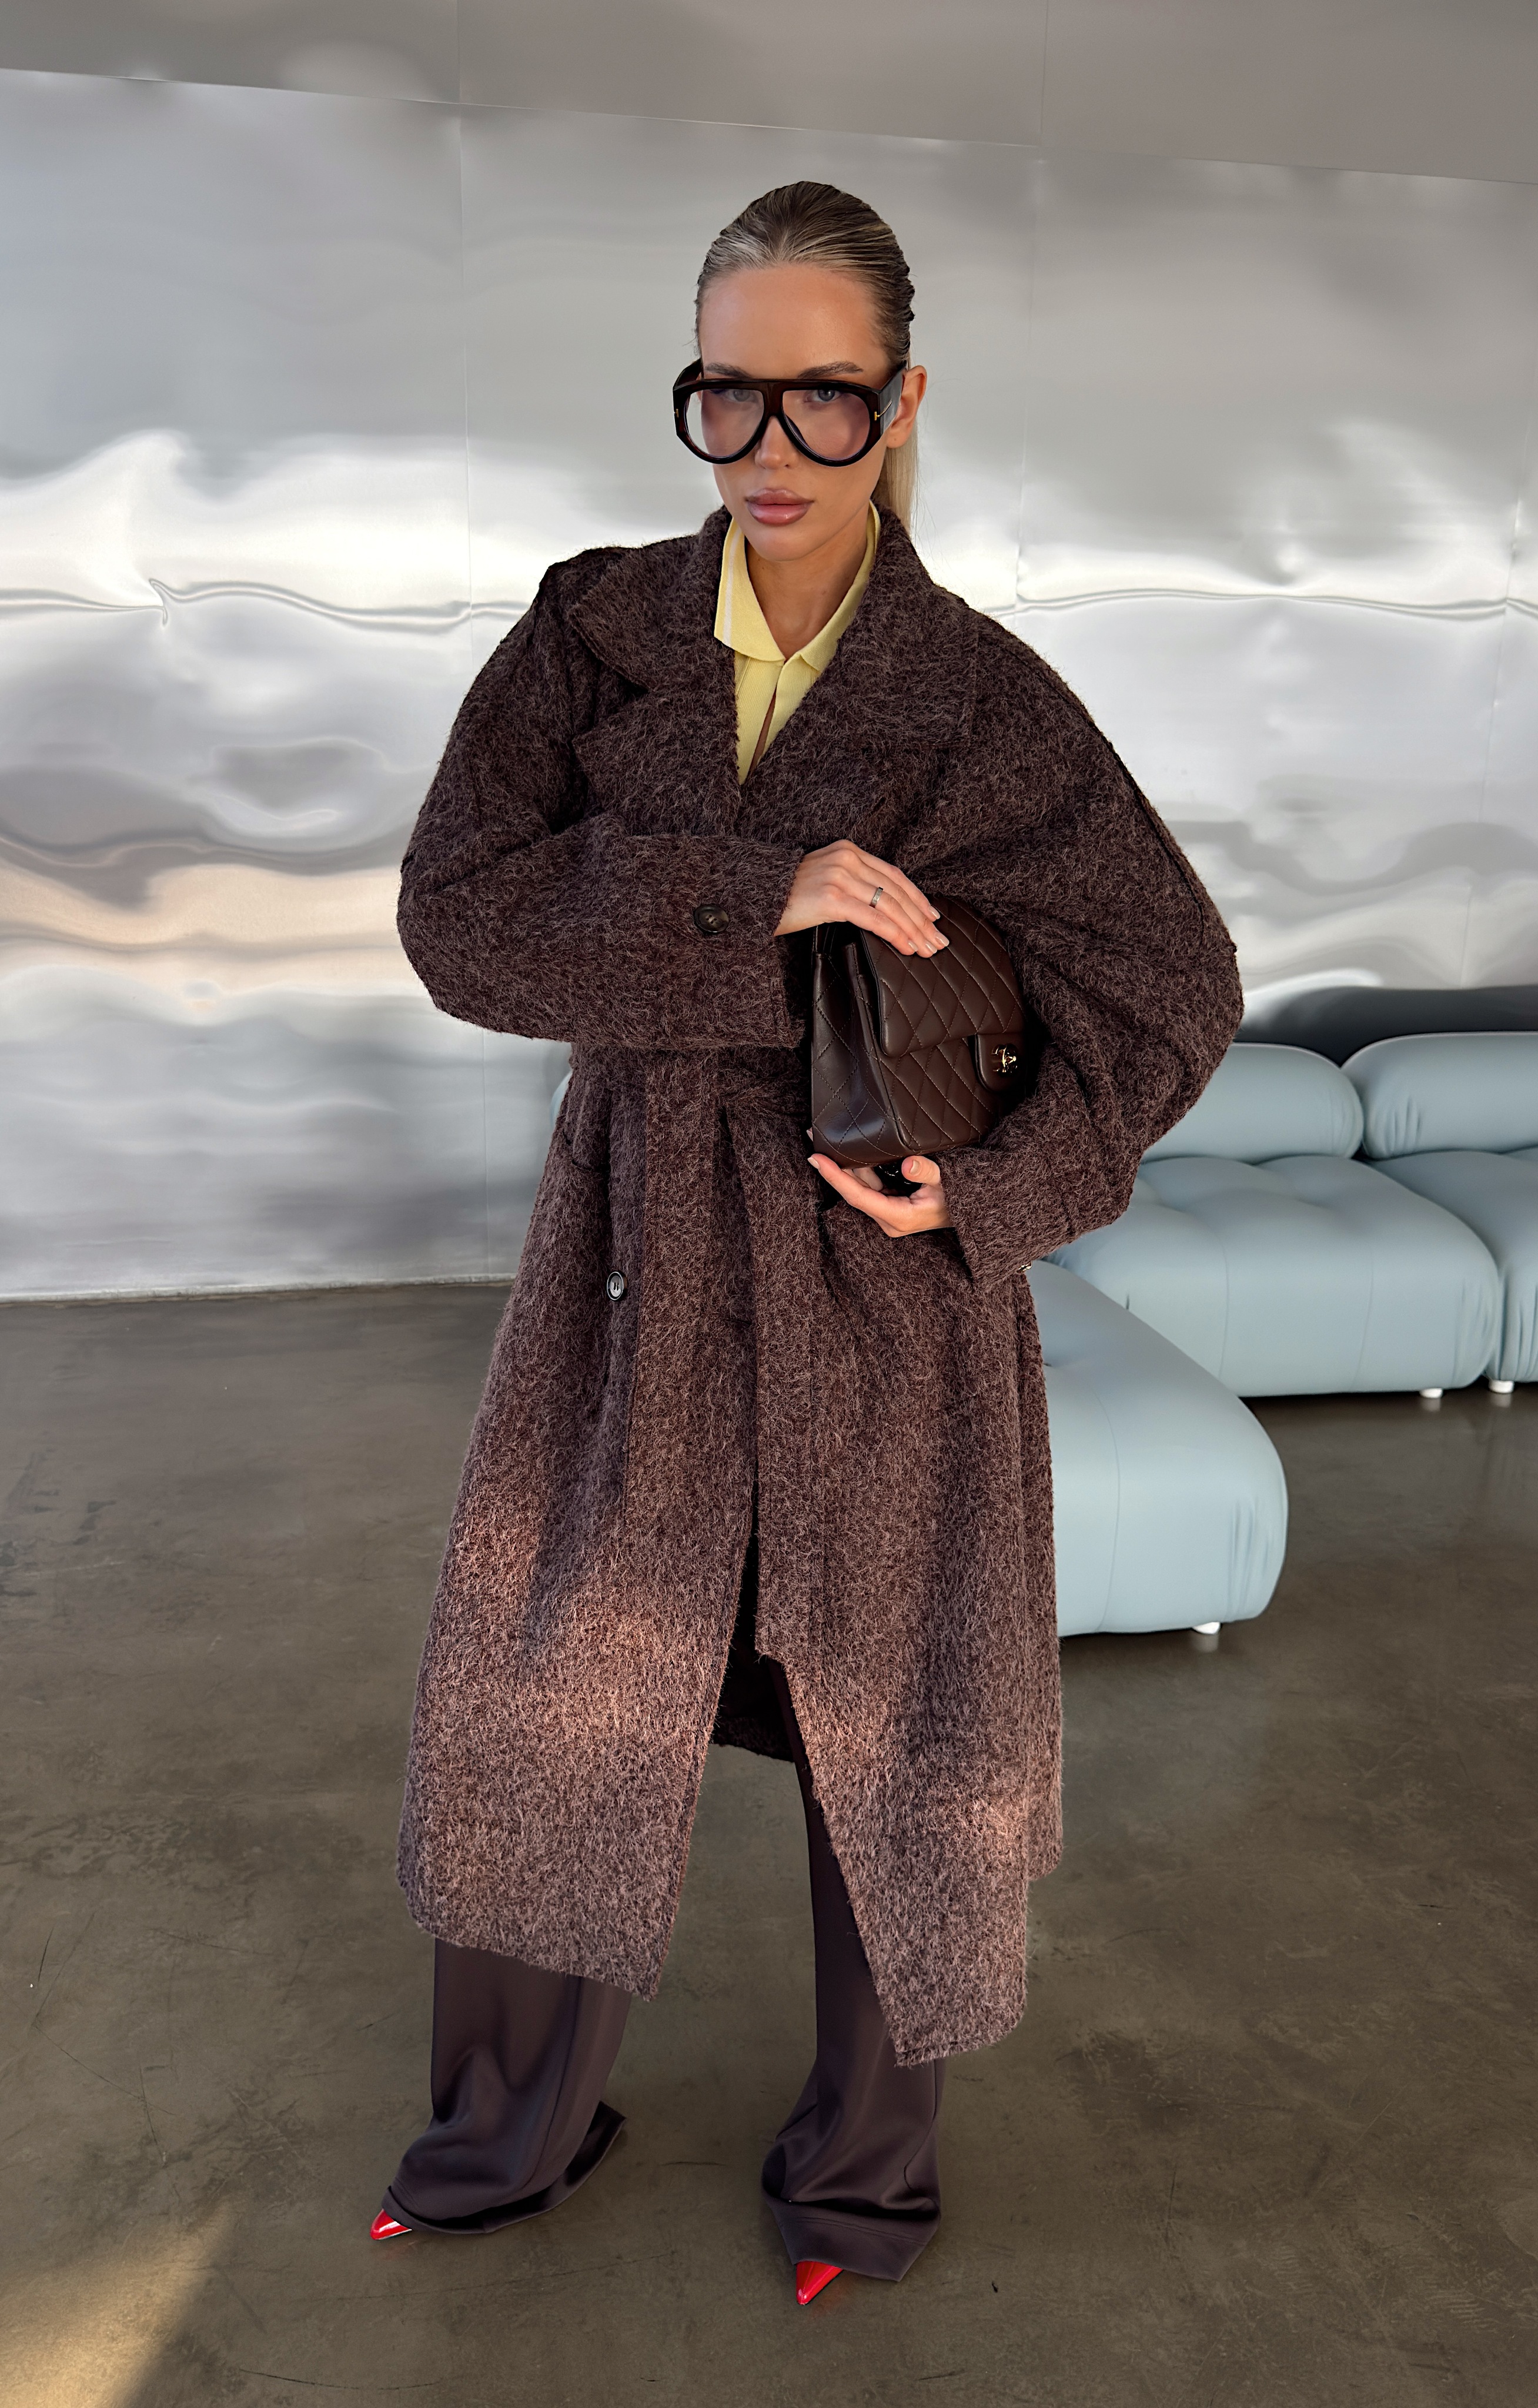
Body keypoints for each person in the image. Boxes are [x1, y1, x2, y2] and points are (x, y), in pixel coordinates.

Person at [372, 182, 1243, 2305]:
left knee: (906, 1734)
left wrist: (993, 1193)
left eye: (825, 398)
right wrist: (745, 893)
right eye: (729, 394)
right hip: (633, 1265)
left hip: (883, 1297)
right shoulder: (591, 632)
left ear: (901, 402)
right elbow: (459, 922)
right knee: (553, 1704)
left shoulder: (983, 698)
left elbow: (1175, 984)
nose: (770, 445)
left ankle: (864, 2179)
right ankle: (509, 2126)